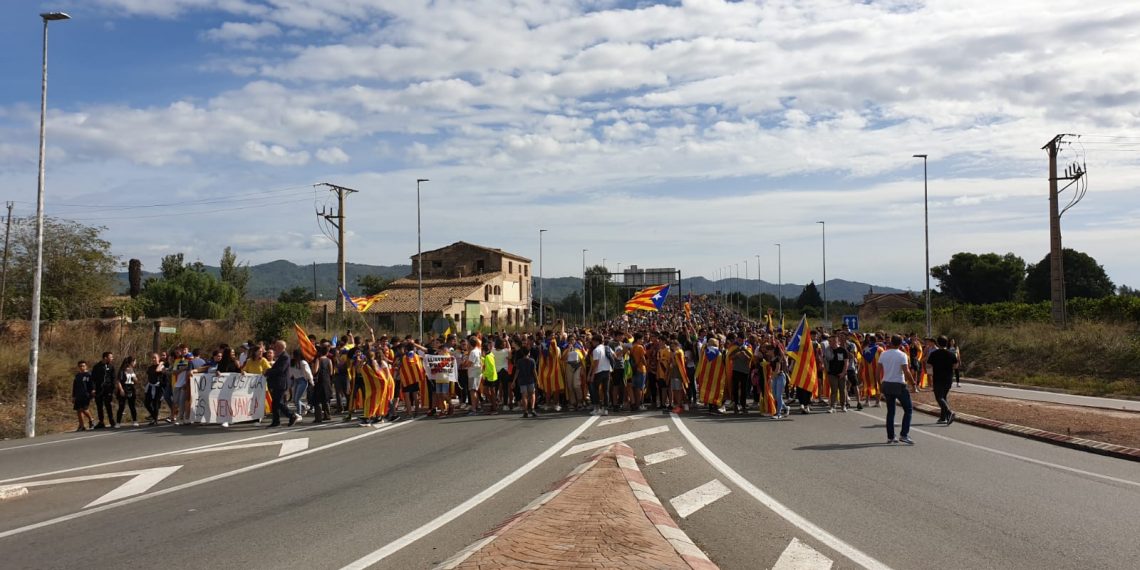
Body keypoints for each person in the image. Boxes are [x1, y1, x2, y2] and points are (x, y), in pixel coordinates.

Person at [878, 334, 917, 445]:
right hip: (899, 384)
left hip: (886, 383)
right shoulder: (902, 355)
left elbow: (878, 370)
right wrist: (913, 383)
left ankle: (891, 437)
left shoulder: (883, 354)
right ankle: (904, 435)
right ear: (900, 344)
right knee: (908, 409)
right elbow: (906, 371)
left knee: (890, 411)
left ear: (890, 342)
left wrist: (879, 384)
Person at [925, 335, 959, 425]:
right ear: (947, 343)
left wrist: (931, 372)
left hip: (938, 378)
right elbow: (956, 366)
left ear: (938, 343)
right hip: (948, 378)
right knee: (943, 397)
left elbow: (928, 365)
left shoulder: (934, 354)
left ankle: (949, 412)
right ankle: (943, 418)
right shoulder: (951, 354)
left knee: (939, 397)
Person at [265, 340, 298, 427]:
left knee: (278, 402)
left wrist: (268, 371)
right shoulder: (280, 356)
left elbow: (280, 370)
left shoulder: (285, 357)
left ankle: (291, 415)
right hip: (277, 383)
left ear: (280, 347)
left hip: (281, 383)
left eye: (276, 346)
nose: (274, 348)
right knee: (275, 403)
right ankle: (276, 421)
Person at [822, 334, 849, 413]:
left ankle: (843, 405)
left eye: (834, 341)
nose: (832, 342)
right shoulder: (827, 350)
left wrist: (843, 373)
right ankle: (833, 406)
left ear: (837, 341)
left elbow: (846, 363)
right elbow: (824, 360)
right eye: (830, 341)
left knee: (842, 390)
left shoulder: (843, 350)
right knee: (834, 390)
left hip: (842, 374)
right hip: (832, 373)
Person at [587, 334, 612, 416]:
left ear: (596, 341)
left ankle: (597, 409)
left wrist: (592, 375)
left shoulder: (596, 350)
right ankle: (605, 410)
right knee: (606, 391)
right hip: (607, 371)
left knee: (595, 390)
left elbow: (595, 364)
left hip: (599, 372)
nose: (592, 343)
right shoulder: (606, 347)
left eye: (593, 341)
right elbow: (614, 356)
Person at [91, 352, 116, 429]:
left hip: (108, 389)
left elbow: (113, 379)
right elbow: (93, 379)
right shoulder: (96, 367)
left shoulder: (111, 366)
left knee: (108, 405)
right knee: (99, 406)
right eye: (110, 357)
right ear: (105, 358)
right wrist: (93, 389)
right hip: (98, 389)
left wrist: (112, 389)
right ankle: (101, 422)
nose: (112, 358)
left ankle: (112, 421)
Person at [114, 356, 140, 427]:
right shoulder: (122, 370)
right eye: (134, 361)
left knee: (132, 406)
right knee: (121, 406)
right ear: (131, 362)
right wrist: (121, 390)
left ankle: (135, 421)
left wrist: (133, 375)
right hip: (123, 388)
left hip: (131, 389)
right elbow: (118, 381)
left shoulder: (132, 370)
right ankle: (118, 422)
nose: (135, 363)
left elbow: (136, 380)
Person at [310, 345, 334, 423]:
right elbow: (331, 372)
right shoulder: (329, 360)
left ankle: (318, 417)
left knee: (317, 400)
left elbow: (315, 371)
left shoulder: (318, 359)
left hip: (319, 381)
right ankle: (327, 415)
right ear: (327, 352)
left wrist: (313, 367)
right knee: (325, 399)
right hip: (327, 380)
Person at [514, 346, 538, 418]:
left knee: (524, 396)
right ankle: (533, 409)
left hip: (522, 380)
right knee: (532, 394)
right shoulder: (532, 360)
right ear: (529, 353)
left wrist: (513, 381)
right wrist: (537, 380)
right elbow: (534, 372)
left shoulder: (519, 361)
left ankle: (525, 411)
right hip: (530, 380)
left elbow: (517, 372)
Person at [289, 349, 313, 416]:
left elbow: (308, 372)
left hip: (303, 381)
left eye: (293, 354)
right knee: (294, 399)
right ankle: (305, 407)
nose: (292, 356)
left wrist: (311, 381)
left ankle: (299, 413)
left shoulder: (303, 362)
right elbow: (290, 373)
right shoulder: (292, 362)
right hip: (296, 381)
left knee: (297, 398)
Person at [144, 353, 166, 426]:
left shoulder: (161, 366)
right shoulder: (150, 367)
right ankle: (154, 416)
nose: (153, 359)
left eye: (155, 358)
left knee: (155, 404)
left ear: (158, 358)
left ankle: (155, 420)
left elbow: (158, 371)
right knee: (146, 403)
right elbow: (149, 377)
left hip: (158, 387)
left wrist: (161, 363)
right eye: (152, 358)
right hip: (150, 386)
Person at [72, 360, 94, 431]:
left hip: (86, 395)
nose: (82, 367)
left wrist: (93, 391)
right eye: (80, 366)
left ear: (86, 366)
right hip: (78, 395)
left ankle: (91, 419)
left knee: (84, 409)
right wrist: (73, 396)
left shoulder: (89, 375)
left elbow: (92, 385)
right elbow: (74, 387)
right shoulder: (77, 376)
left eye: (83, 366)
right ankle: (82, 426)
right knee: (79, 410)